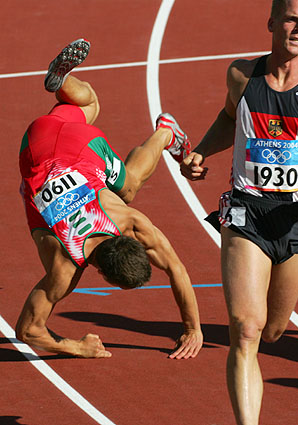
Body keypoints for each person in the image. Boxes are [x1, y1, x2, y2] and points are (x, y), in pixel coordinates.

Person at [16, 39, 203, 360]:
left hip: (64, 139)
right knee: (126, 188)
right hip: (33, 145)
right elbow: (27, 330)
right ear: (101, 273)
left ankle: (63, 83)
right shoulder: (65, 267)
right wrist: (79, 348)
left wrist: (192, 327)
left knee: (90, 108)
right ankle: (165, 134)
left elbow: (175, 269)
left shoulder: (127, 220)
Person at [180, 0, 298, 423]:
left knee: (274, 330)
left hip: (296, 216)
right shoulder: (242, 75)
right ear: (272, 22)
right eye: (291, 19)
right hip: (246, 212)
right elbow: (227, 119)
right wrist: (202, 151)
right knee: (245, 329)